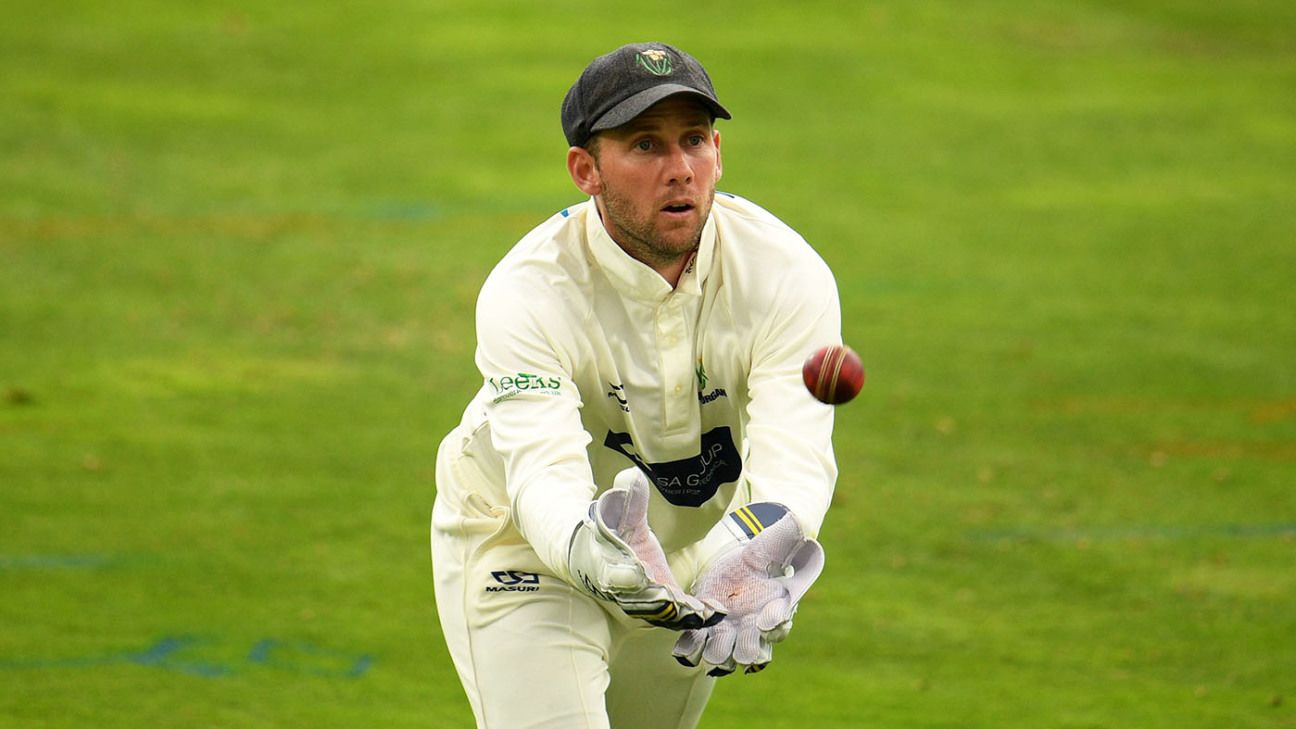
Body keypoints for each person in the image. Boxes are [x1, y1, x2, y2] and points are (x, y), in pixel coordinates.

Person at [430, 42, 842, 729]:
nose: (680, 170)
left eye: (695, 140)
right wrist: (596, 552)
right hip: (523, 546)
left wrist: (750, 551)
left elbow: (795, 453)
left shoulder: (787, 274)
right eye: (645, 144)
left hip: (692, 554)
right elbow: (543, 479)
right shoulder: (528, 291)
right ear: (585, 169)